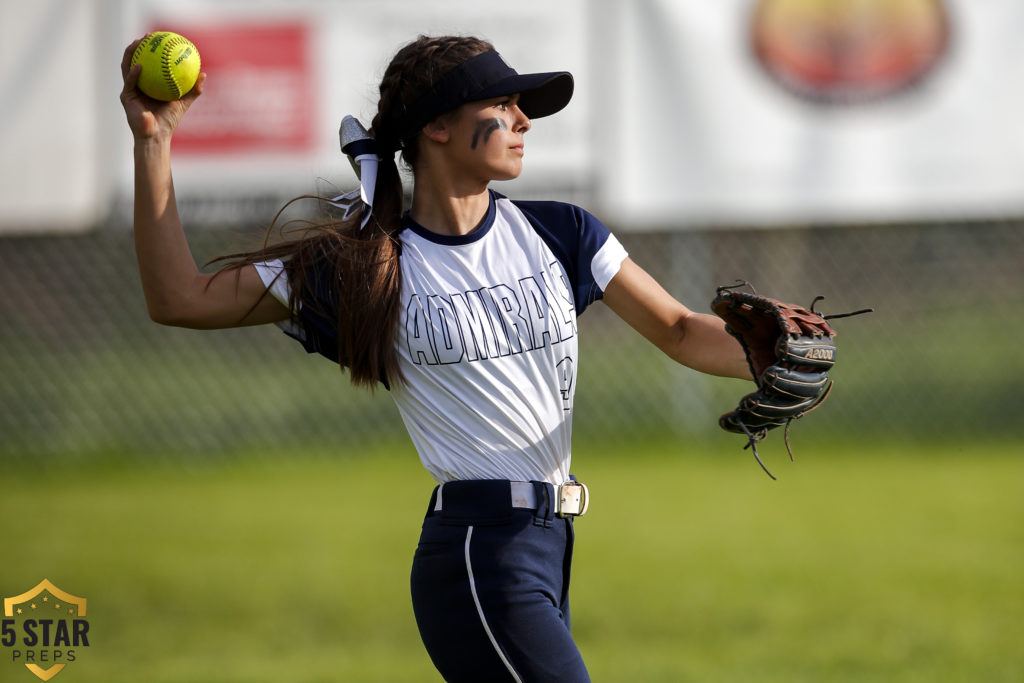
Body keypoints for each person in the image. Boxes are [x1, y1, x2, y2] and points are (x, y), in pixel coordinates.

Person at [120, 33, 751, 683]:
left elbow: (678, 328)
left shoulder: (561, 233)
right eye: (501, 103)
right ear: (437, 126)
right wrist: (152, 140)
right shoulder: (368, 264)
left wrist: (776, 353)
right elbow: (180, 298)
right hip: (477, 552)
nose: (523, 119)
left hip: (547, 542)